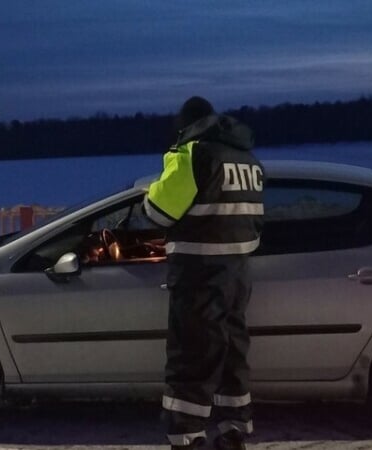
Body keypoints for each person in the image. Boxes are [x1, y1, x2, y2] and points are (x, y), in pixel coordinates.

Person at [144, 96, 264, 450]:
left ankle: (187, 437)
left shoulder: (193, 155)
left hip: (199, 274)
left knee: (192, 354)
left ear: (186, 126)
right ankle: (234, 430)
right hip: (238, 274)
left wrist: (150, 193)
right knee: (231, 351)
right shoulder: (248, 160)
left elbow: (158, 213)